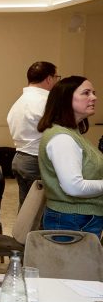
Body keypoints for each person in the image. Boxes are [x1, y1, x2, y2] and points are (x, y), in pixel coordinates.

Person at [37, 76, 103, 237]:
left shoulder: (72, 133)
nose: (93, 97)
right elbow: (73, 187)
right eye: (86, 93)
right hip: (74, 219)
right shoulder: (62, 138)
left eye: (93, 93)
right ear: (65, 99)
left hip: (78, 218)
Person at [7, 61, 60, 207]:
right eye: (57, 77)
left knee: (27, 210)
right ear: (49, 79)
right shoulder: (45, 102)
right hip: (36, 161)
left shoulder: (19, 102)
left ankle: (23, 231)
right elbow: (59, 134)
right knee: (40, 211)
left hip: (20, 158)